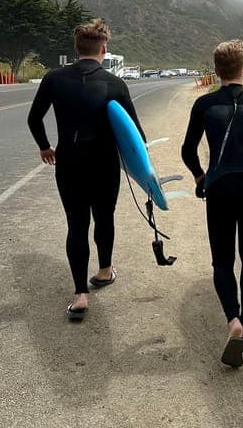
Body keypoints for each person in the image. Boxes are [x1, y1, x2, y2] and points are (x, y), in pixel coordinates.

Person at [27, 19, 145, 321]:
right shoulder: (115, 84)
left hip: (68, 161)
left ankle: (80, 295)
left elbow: (34, 118)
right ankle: (105, 270)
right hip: (103, 163)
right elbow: (137, 136)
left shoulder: (53, 79)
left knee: (76, 224)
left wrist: (44, 147)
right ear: (103, 49)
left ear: (76, 48)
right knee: (104, 217)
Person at [181, 39, 243, 368]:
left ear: (216, 70)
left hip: (220, 187)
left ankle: (232, 321)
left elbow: (187, 150)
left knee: (222, 260)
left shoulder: (204, 105)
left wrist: (200, 177)